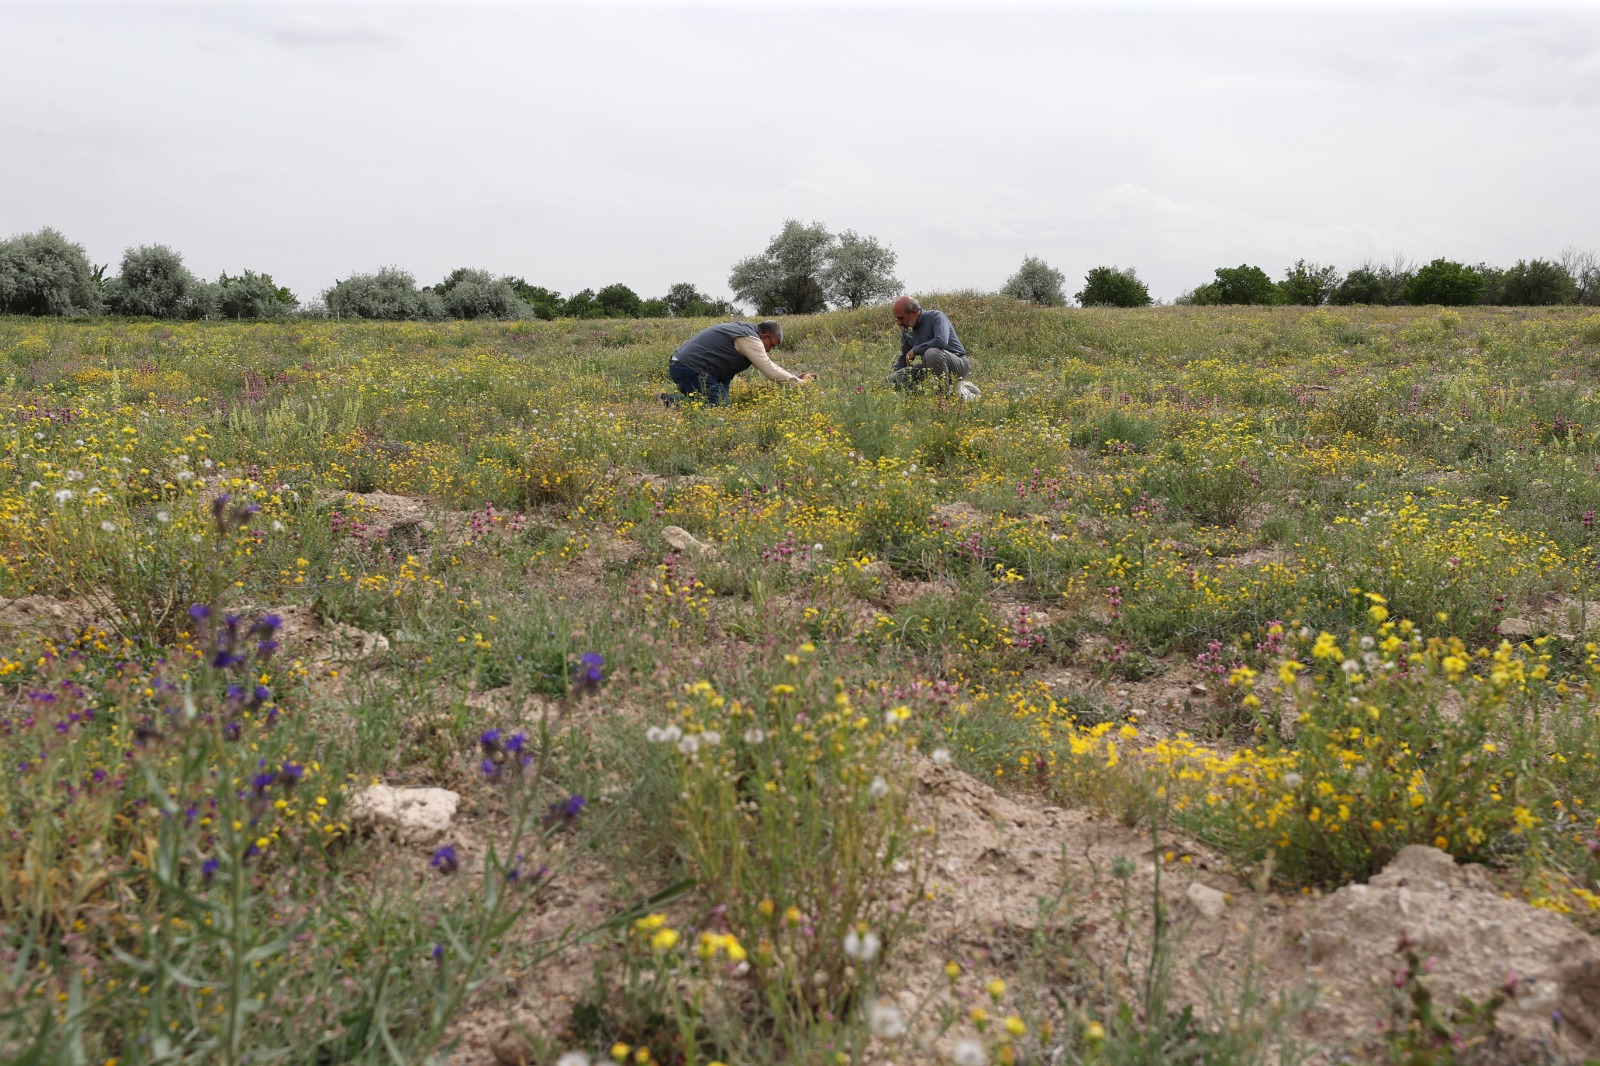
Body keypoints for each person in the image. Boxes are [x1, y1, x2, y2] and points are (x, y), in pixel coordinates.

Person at [663, 320, 811, 406]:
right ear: (765, 336)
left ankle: (668, 401)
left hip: (688, 366)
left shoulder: (746, 331)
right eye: (772, 345)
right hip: (690, 368)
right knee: (720, 408)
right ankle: (669, 401)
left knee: (712, 404)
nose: (770, 350)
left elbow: (769, 363)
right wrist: (801, 384)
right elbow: (770, 370)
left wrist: (794, 378)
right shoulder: (750, 339)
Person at [889, 296, 970, 390]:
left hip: (958, 364)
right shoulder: (906, 330)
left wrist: (916, 350)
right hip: (931, 367)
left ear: (914, 312)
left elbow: (941, 341)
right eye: (897, 319)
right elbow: (905, 357)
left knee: (932, 353)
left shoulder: (936, 317)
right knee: (891, 380)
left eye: (901, 318)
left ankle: (943, 398)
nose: (898, 322)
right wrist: (892, 374)